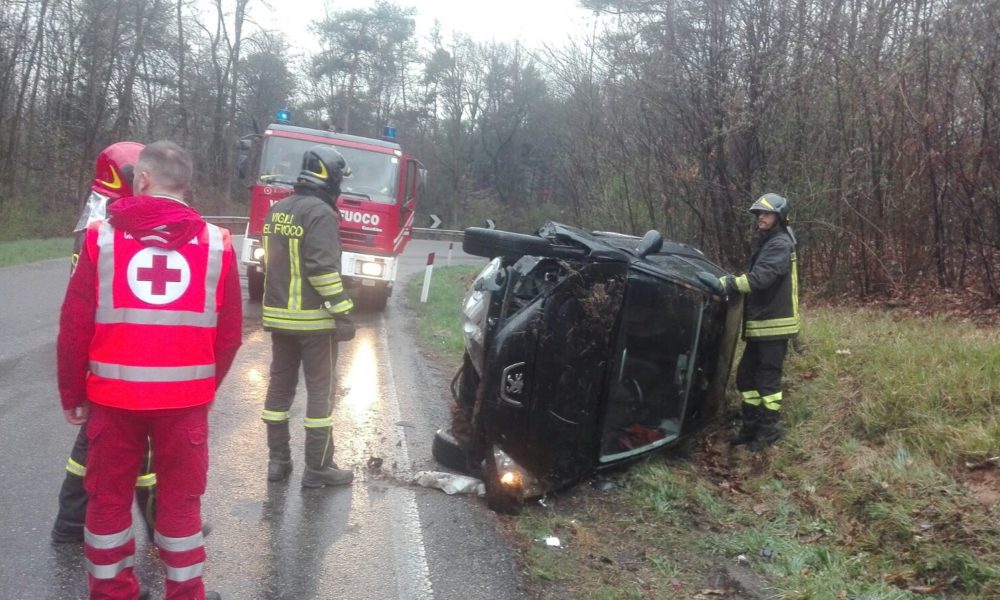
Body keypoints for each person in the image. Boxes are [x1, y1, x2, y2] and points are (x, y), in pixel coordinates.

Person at [58, 140, 242, 599]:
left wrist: (72, 393)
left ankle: (112, 592)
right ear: (185, 185)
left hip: (112, 400)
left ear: (141, 180)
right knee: (181, 504)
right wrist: (204, 386)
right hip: (184, 403)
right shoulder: (217, 244)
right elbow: (229, 335)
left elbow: (75, 327)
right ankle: (186, 593)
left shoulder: (100, 238)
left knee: (108, 501)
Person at [53, 142, 162, 546]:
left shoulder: (97, 221)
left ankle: (74, 521)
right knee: (112, 443)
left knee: (107, 443)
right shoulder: (110, 230)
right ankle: (154, 525)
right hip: (113, 352)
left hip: (103, 351)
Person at [260, 144, 355, 488]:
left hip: (279, 319)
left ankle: (278, 461)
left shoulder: (278, 209)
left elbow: (270, 262)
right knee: (320, 393)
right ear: (331, 177)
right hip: (315, 323)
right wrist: (343, 311)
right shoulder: (321, 213)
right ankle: (318, 467)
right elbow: (321, 269)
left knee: (279, 390)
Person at [720, 193, 800, 452]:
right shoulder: (770, 242)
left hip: (774, 325)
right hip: (762, 324)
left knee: (768, 380)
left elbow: (761, 277)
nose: (760, 218)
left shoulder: (780, 244)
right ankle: (751, 425)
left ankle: (769, 428)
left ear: (779, 216)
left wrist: (730, 284)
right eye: (759, 214)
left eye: (766, 213)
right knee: (745, 377)